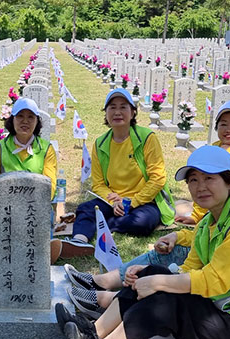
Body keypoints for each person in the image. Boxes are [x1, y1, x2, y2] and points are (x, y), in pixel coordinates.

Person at [55, 146, 230, 339]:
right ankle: (93, 332)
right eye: (193, 179)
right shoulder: (209, 221)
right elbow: (189, 268)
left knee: (165, 297)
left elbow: (215, 281)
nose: (200, 186)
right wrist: (149, 274)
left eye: (209, 178)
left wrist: (159, 282)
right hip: (219, 313)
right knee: (153, 273)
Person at [65, 129, 230, 319]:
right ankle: (108, 284)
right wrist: (179, 237)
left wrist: (208, 258)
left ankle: (112, 297)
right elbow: (216, 231)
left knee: (184, 277)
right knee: (177, 251)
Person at [53, 88, 175, 259]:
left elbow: (158, 178)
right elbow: (98, 184)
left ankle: (102, 224)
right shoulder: (101, 143)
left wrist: (132, 202)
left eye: (123, 107)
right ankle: (79, 242)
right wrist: (114, 200)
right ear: (106, 113)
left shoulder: (147, 138)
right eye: (112, 107)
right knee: (85, 209)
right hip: (113, 200)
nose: (117, 112)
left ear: (133, 112)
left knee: (143, 223)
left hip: (144, 201)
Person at [176, 99, 230, 226]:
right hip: (222, 204)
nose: (228, 130)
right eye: (223, 124)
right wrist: (196, 217)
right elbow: (202, 182)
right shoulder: (215, 148)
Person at [0, 97, 57, 198]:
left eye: (30, 117)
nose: (25, 121)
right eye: (20, 116)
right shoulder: (0, 148)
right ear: (12, 119)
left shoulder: (46, 149)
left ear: (37, 121)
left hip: (36, 206)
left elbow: (51, 187)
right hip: (8, 206)